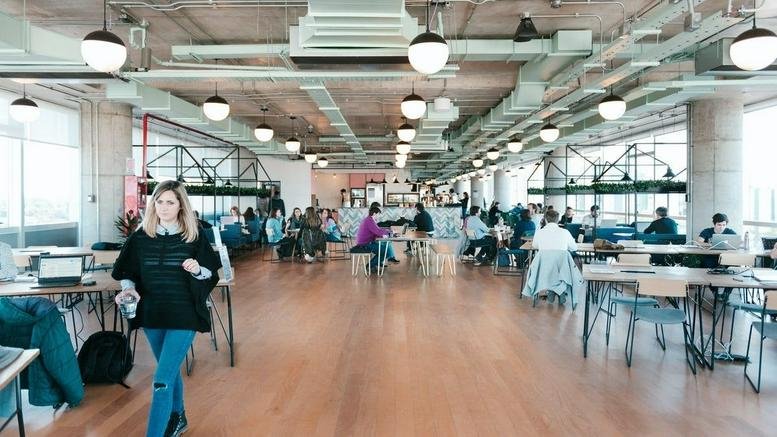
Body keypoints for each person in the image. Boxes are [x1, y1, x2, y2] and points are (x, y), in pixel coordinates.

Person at [111, 180, 221, 437]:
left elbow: (210, 273)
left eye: (170, 202)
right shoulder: (140, 237)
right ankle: (178, 417)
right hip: (152, 313)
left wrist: (197, 269)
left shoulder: (193, 237)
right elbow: (126, 271)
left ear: (181, 204)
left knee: (160, 381)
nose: (163, 207)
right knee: (168, 370)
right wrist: (128, 288)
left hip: (184, 314)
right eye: (159, 201)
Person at [355, 206, 399, 271]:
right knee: (386, 251)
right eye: (378, 214)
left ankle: (379, 262)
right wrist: (391, 232)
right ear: (374, 214)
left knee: (385, 245)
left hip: (366, 242)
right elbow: (378, 231)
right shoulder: (369, 221)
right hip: (365, 244)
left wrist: (385, 233)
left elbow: (377, 231)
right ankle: (370, 265)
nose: (379, 216)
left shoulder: (369, 219)